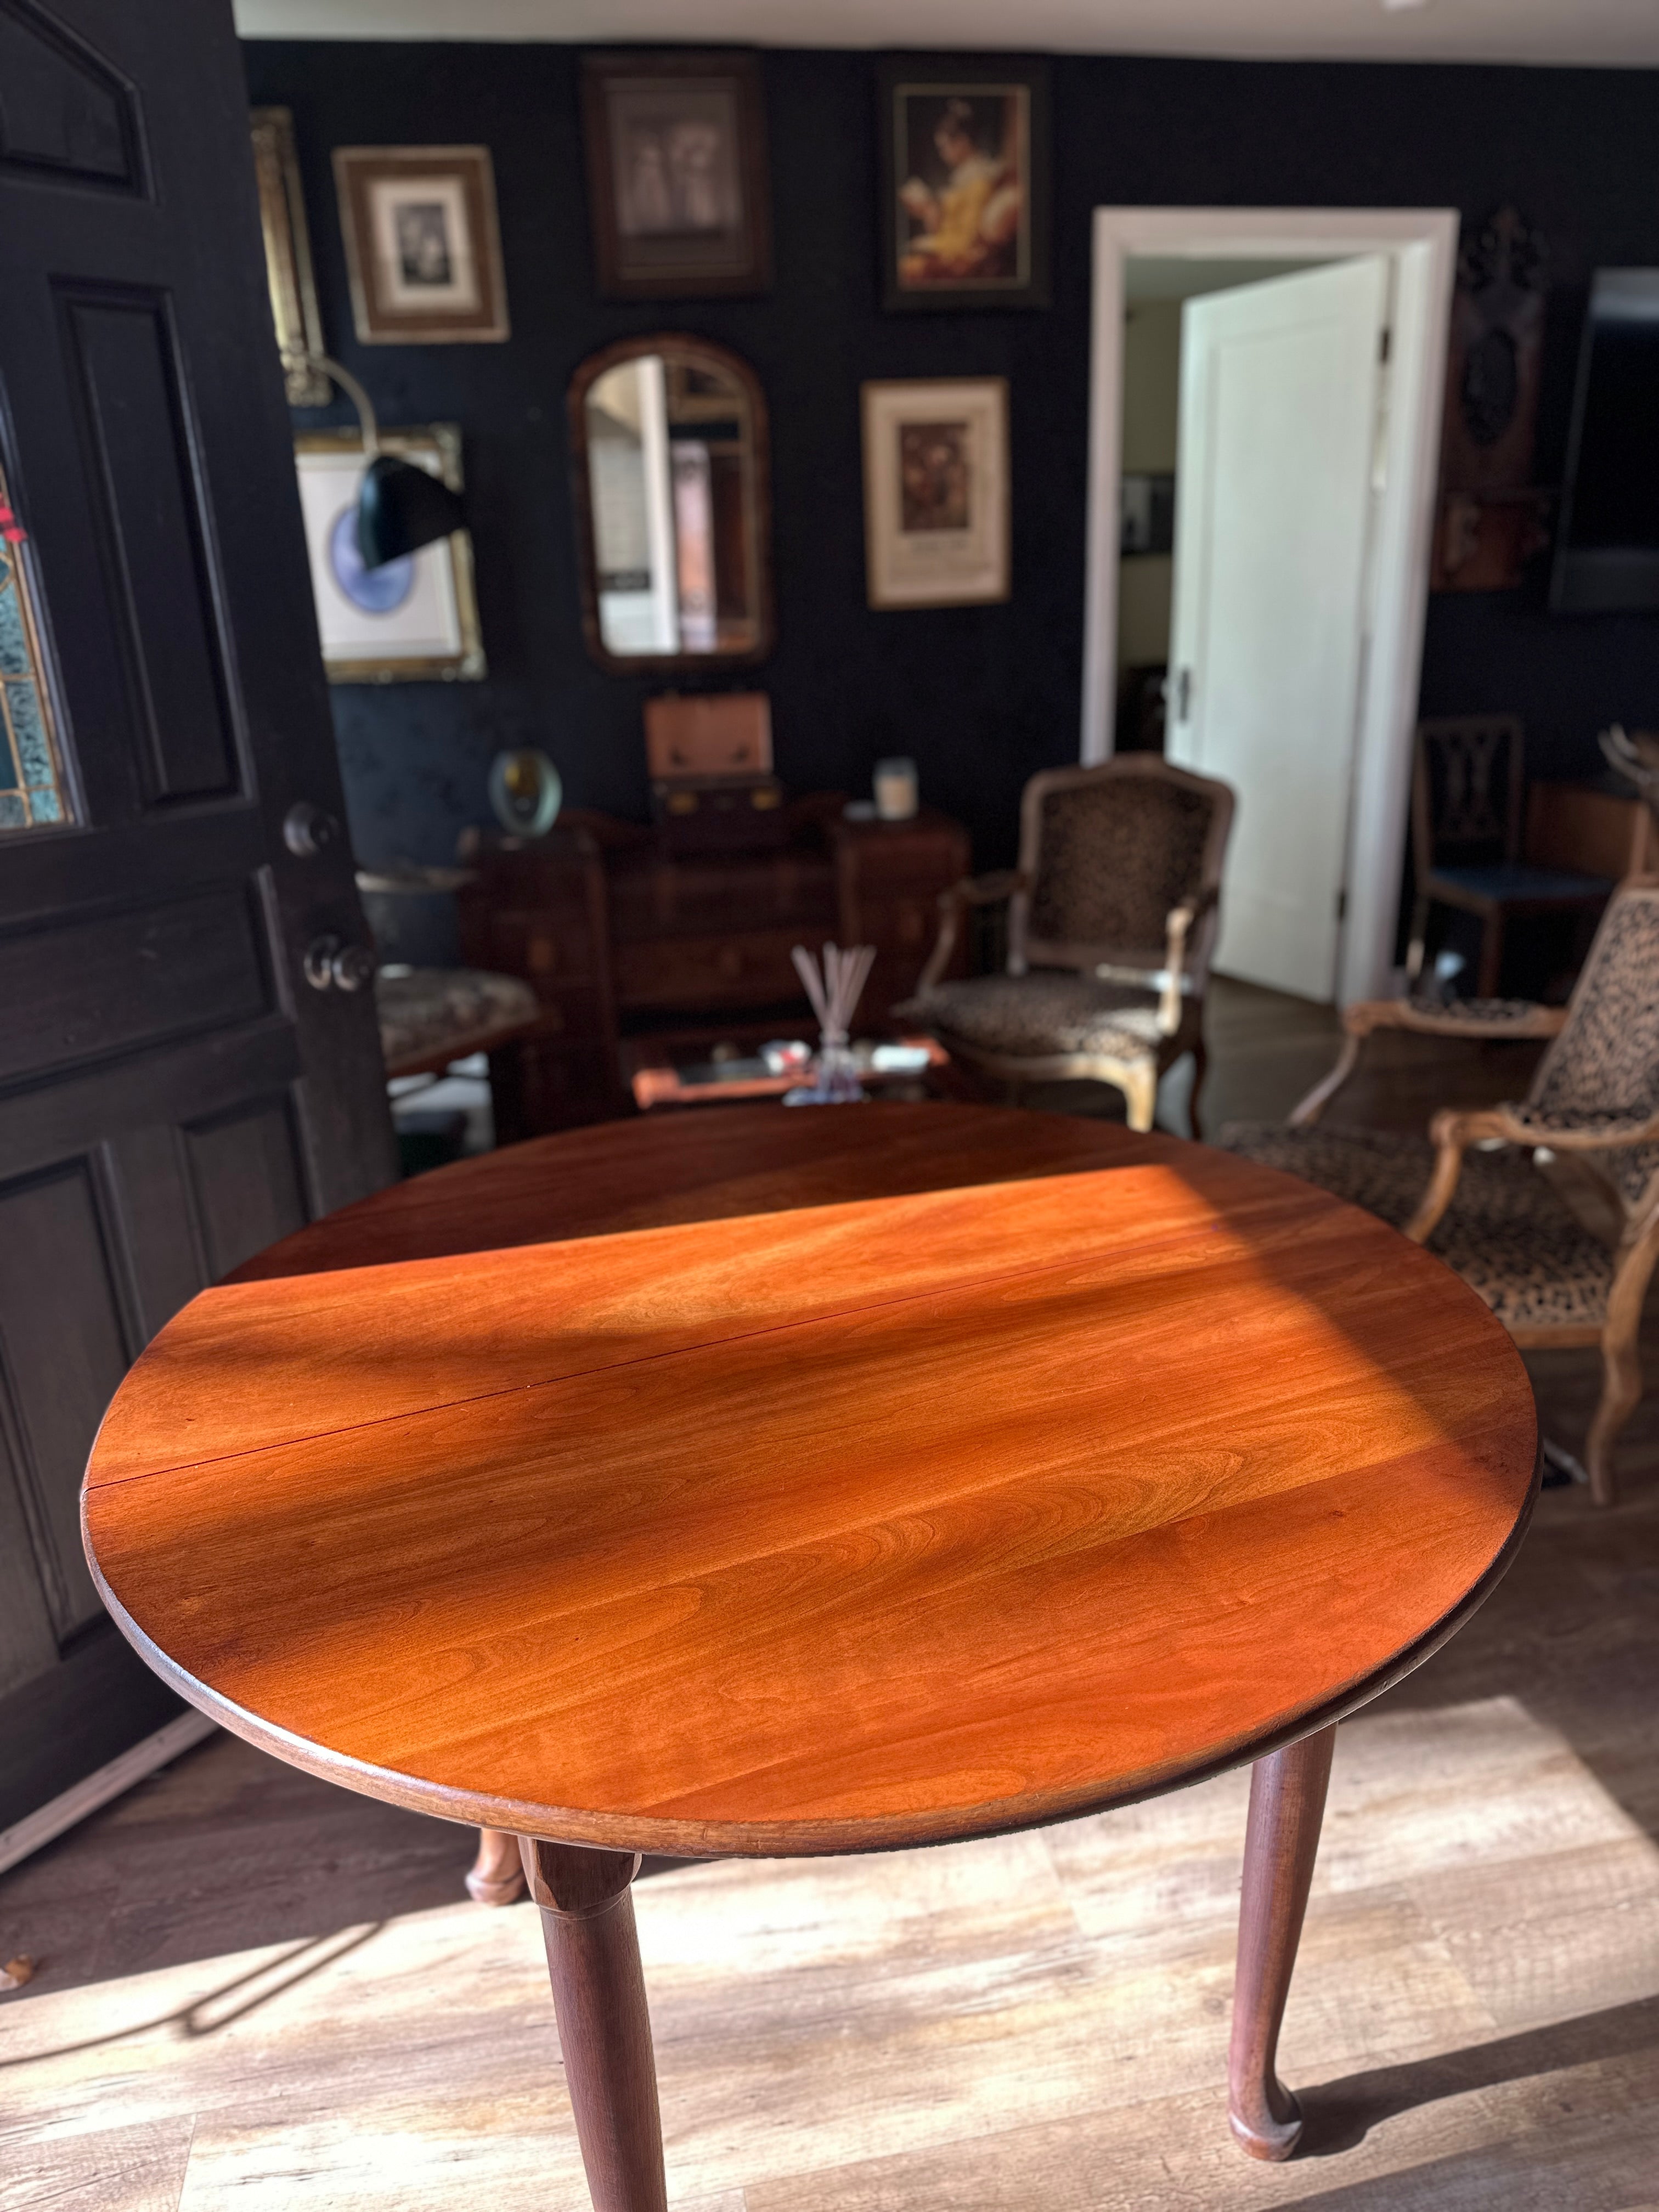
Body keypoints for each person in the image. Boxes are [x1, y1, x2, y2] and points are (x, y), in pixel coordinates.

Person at [898, 98, 1021, 286]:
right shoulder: (962, 178)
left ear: (962, 142)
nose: (942, 154)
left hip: (962, 261)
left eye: (945, 147)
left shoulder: (980, 181)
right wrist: (929, 210)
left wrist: (927, 244)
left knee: (903, 271)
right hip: (948, 251)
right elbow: (946, 228)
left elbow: (967, 241)